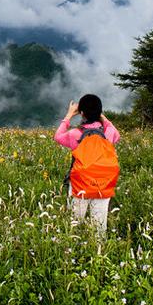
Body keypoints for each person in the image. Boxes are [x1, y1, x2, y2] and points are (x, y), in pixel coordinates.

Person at [54, 94, 120, 235]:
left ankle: (72, 249)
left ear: (81, 113)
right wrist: (102, 116)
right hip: (103, 184)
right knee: (100, 227)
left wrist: (69, 114)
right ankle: (99, 251)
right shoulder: (109, 133)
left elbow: (58, 136)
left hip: (80, 184)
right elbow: (116, 133)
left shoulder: (75, 134)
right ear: (99, 112)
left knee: (74, 223)